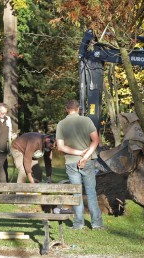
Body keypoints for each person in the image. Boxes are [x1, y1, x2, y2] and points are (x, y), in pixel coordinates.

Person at [56, 99, 104, 230]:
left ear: (67, 109)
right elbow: (95, 141)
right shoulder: (86, 121)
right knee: (91, 192)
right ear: (78, 109)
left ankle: (78, 224)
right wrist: (85, 156)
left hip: (71, 162)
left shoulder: (61, 124)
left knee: (76, 194)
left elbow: (60, 147)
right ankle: (97, 223)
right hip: (87, 161)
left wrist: (78, 153)